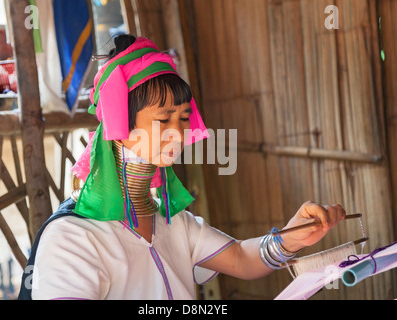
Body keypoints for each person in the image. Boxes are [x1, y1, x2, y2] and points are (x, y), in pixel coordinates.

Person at [18, 35, 346, 300]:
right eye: (164, 119)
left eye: (184, 117)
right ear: (120, 126)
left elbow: (242, 259)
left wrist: (294, 236)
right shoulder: (73, 238)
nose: (179, 131)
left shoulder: (173, 222)